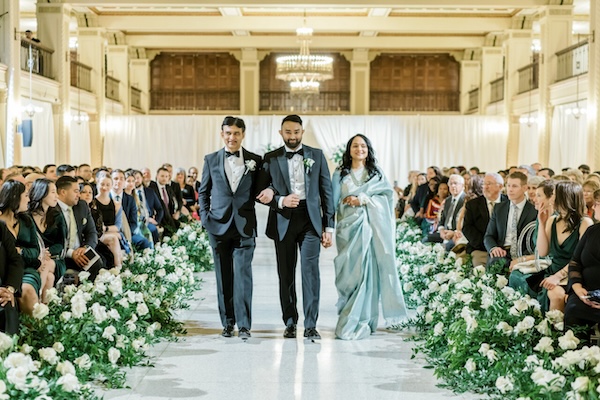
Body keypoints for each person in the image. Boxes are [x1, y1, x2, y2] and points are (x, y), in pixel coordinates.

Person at [256, 114, 335, 340]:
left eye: (296, 132)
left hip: (311, 221)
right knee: (286, 274)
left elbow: (326, 192)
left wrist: (329, 227)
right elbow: (259, 192)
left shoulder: (317, 155)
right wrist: (280, 199)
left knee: (311, 273)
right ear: (281, 133)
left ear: (302, 132)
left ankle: (311, 324)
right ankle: (290, 322)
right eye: (288, 132)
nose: (292, 136)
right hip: (283, 220)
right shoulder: (270, 158)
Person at [331, 134, 407, 340]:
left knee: (367, 273)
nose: (359, 149)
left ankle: (364, 319)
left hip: (370, 230)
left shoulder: (376, 173)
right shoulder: (340, 174)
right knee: (349, 275)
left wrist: (363, 199)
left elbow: (386, 196)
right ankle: (350, 311)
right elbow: (331, 201)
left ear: (368, 149)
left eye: (363, 145)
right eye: (355, 146)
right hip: (347, 231)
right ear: (349, 150)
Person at [198, 116, 262, 340]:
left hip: (244, 227)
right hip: (218, 226)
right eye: (228, 133)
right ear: (221, 134)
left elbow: (263, 188)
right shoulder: (211, 159)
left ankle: (244, 325)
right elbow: (203, 192)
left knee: (243, 276)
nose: (232, 137)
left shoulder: (255, 160)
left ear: (243, 134)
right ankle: (228, 323)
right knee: (223, 276)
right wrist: (206, 219)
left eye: (236, 133)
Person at [0, 180, 52, 315]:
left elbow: (36, 251)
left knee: (27, 289)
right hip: (3, 271)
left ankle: (36, 332)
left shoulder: (26, 220)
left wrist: (21, 251)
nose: (29, 200)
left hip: (26, 269)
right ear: (14, 197)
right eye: (26, 196)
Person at [484, 172, 538, 272]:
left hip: (524, 254)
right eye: (508, 185)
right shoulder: (499, 208)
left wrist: (522, 258)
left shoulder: (534, 211)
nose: (510, 189)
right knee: (495, 264)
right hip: (502, 252)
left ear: (524, 188)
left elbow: (534, 241)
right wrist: (494, 248)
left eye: (514, 186)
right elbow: (489, 236)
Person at [55, 176, 104, 281]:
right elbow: (52, 240)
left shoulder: (82, 206)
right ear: (63, 192)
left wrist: (85, 248)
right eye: (76, 191)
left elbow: (92, 232)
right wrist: (71, 253)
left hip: (80, 251)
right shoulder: (53, 209)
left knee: (96, 261)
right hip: (62, 253)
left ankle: (87, 293)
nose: (79, 195)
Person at [28, 178, 66, 284]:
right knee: (49, 277)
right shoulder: (27, 216)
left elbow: (61, 243)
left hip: (54, 259)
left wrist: (48, 252)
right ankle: (43, 300)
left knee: (46, 265)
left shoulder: (57, 215)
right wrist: (40, 253)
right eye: (53, 192)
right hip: (35, 257)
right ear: (42, 193)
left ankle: (37, 296)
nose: (56, 196)